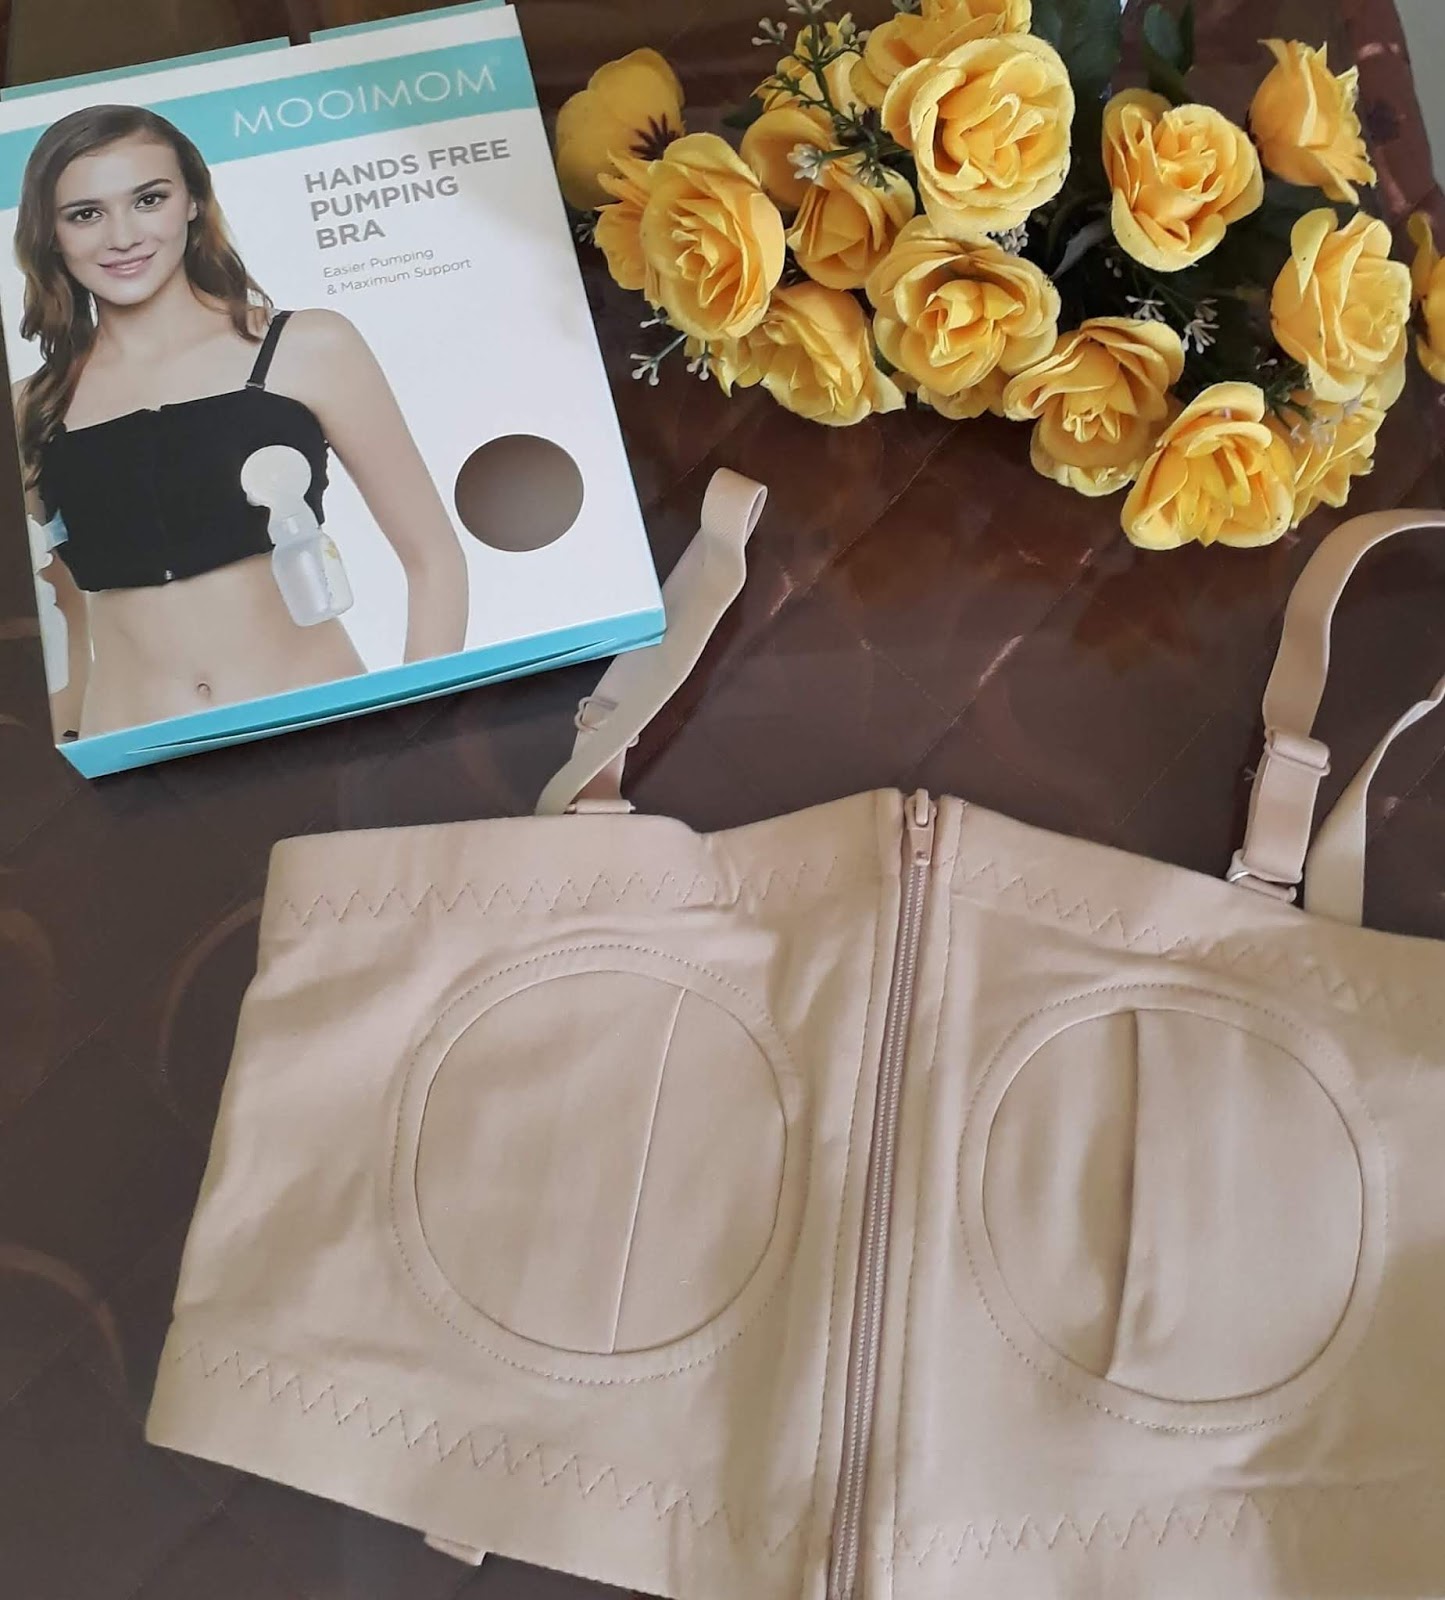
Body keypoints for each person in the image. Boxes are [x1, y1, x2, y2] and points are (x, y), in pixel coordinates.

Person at [13, 104, 470, 739]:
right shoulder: (32, 405)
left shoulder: (308, 347)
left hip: (321, 729)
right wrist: (67, 748)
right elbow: (55, 609)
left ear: (193, 202)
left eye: (148, 199)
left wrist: (417, 734)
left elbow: (432, 558)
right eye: (85, 213)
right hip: (129, 749)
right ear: (51, 233)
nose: (121, 236)